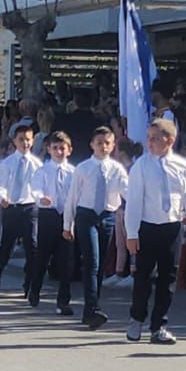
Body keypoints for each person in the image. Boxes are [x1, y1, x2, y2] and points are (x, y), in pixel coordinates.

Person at [124, 118, 186, 344]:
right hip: (147, 226)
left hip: (171, 227)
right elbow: (133, 201)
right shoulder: (141, 166)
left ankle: (159, 325)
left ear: (169, 140)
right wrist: (131, 233)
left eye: (155, 139)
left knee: (167, 277)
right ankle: (136, 318)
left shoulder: (182, 166)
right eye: (148, 138)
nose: (149, 143)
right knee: (143, 275)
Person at [63, 126, 129, 329]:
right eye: (99, 143)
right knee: (91, 261)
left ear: (113, 145)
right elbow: (73, 197)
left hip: (107, 216)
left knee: (99, 266)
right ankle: (92, 308)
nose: (103, 147)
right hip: (86, 215)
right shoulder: (83, 168)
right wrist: (68, 224)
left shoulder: (117, 169)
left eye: (107, 143)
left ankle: (92, 307)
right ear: (92, 145)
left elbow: (128, 192)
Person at [0, 120, 42, 292]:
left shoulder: (37, 165)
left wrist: (41, 198)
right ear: (14, 141)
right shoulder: (7, 163)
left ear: (32, 141)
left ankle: (30, 280)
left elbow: (39, 187)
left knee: (32, 245)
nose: (25, 143)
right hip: (11, 207)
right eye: (21, 139)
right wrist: (2, 197)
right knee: (7, 244)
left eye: (28, 139)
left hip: (29, 207)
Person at [27, 131, 76, 313]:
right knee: (43, 255)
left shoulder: (73, 172)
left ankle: (63, 300)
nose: (59, 152)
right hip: (48, 215)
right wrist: (41, 198)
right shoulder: (43, 170)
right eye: (55, 148)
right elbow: (36, 189)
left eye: (62, 148)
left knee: (66, 260)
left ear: (69, 150)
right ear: (48, 149)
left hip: (67, 216)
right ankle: (34, 290)